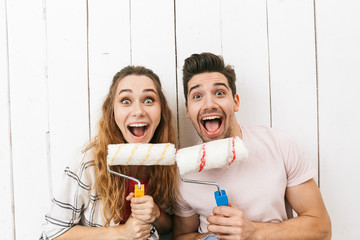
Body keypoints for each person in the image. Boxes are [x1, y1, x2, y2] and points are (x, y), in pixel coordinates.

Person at [173, 52, 331, 240]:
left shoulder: (278, 145)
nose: (209, 104)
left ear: (236, 102)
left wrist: (254, 232)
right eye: (197, 96)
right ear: (188, 110)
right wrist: (209, 238)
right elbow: (181, 236)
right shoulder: (184, 173)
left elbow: (321, 228)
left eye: (219, 93)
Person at [41, 66, 178, 240]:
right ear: (112, 111)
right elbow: (53, 232)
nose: (138, 111)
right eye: (126, 101)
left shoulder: (164, 161)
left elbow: (168, 227)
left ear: (162, 110)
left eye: (149, 100)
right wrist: (120, 232)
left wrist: (156, 214)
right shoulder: (89, 161)